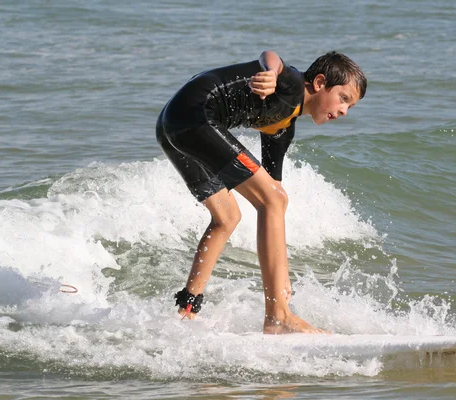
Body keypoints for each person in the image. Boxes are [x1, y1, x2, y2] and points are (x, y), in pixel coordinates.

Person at [156, 50, 366, 334]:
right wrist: (269, 73)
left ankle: (187, 309)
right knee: (273, 201)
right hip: (194, 117)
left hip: (173, 123)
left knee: (228, 216)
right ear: (319, 83)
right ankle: (278, 315)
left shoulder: (281, 129)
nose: (343, 112)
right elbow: (272, 56)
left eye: (350, 107)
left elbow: (271, 192)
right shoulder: (290, 84)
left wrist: (282, 271)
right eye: (343, 99)